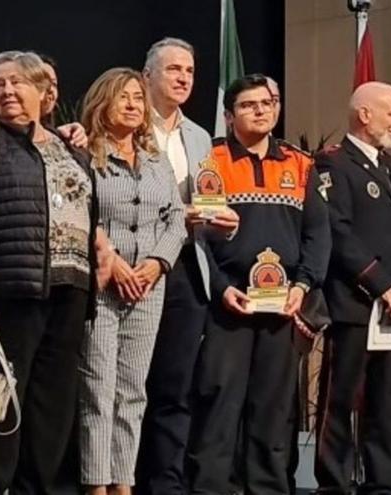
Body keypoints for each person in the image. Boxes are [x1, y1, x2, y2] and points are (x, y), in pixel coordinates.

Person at [0, 50, 107, 494]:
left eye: (18, 82)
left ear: (45, 93)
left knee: (52, 411)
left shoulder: (70, 148)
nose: (6, 91)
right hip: (10, 290)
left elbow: (88, 217)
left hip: (70, 292)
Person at [186, 74, 330, 494]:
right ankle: (213, 487)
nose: (261, 110)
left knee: (274, 406)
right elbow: (194, 238)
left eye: (267, 103)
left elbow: (317, 235)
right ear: (229, 116)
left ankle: (268, 488)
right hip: (227, 302)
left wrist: (302, 288)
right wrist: (219, 287)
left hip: (283, 304)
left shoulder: (300, 163)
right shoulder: (208, 160)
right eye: (249, 105)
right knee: (219, 401)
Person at [313, 81, 391, 495]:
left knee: (390, 400)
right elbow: (338, 231)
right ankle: (335, 484)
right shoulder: (333, 164)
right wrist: (381, 283)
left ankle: (386, 482)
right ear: (365, 115)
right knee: (341, 398)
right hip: (355, 304)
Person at [135, 37, 238, 495]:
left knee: (176, 387)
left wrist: (224, 223)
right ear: (147, 75)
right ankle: (123, 478)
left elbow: (207, 199)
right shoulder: (128, 125)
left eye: (190, 71)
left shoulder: (199, 137)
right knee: (132, 384)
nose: (182, 78)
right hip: (138, 266)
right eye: (173, 69)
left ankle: (166, 483)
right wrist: (182, 214)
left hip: (187, 268)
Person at [77, 67, 186, 495]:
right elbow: (79, 215)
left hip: (148, 287)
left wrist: (158, 263)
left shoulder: (156, 159)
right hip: (102, 286)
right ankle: (95, 483)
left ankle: (124, 482)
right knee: (97, 390)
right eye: (122, 96)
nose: (132, 104)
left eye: (138, 98)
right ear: (102, 102)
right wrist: (115, 262)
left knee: (133, 391)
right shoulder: (85, 154)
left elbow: (175, 218)